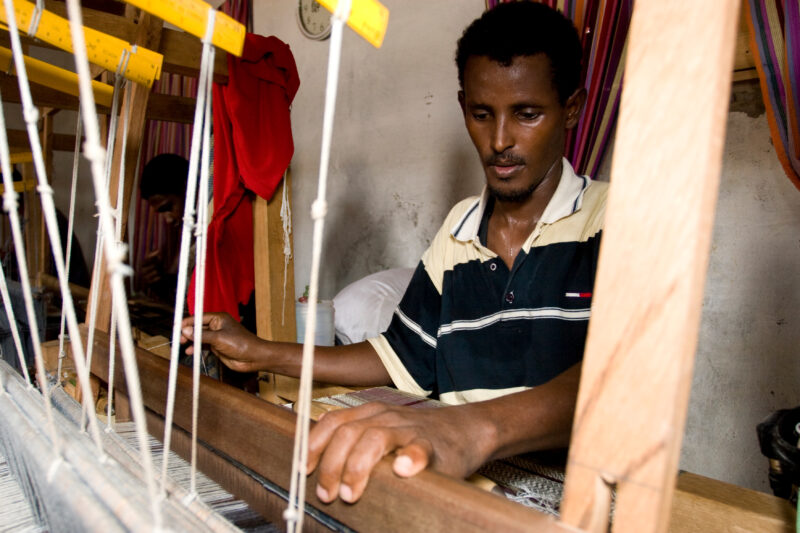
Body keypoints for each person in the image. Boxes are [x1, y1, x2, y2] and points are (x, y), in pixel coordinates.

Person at [181, 1, 607, 505]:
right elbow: (398, 355)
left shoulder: (612, 221)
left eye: (527, 114)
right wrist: (260, 352)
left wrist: (470, 429)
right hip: (463, 486)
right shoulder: (459, 231)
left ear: (573, 108)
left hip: (573, 495)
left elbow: (616, 380)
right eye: (480, 114)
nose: (499, 141)